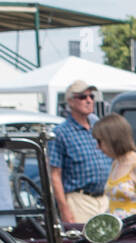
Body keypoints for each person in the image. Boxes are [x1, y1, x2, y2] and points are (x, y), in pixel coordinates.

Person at [47, 80, 112, 224]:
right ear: (70, 102)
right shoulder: (60, 133)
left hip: (105, 198)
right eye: (83, 97)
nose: (89, 100)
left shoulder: (98, 126)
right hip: (79, 200)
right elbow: (55, 175)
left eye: (91, 97)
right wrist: (64, 209)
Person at [91, 113, 136, 216]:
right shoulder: (116, 163)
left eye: (100, 142)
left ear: (112, 139)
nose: (97, 147)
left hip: (135, 230)